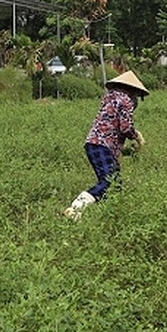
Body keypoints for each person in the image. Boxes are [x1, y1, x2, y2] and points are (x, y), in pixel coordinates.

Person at [63, 70, 149, 220]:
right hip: (102, 145)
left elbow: (114, 127)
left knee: (115, 186)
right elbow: (125, 128)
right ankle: (75, 208)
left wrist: (127, 150)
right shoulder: (126, 100)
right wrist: (137, 137)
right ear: (133, 90)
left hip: (94, 143)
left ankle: (107, 217)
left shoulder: (109, 97)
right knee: (109, 182)